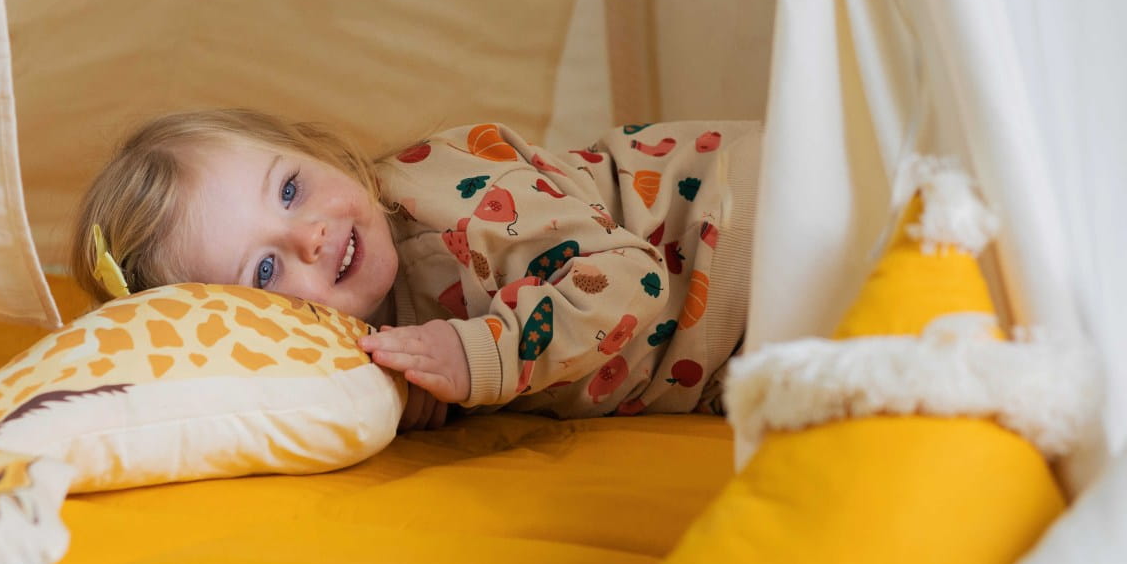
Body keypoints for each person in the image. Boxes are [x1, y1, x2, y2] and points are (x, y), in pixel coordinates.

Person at [72, 108, 759, 431]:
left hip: (737, 221)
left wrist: (480, 356)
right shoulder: (342, 349)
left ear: (318, 150)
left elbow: (630, 281)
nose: (310, 235)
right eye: (265, 271)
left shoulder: (456, 197)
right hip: (731, 352)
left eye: (290, 189)